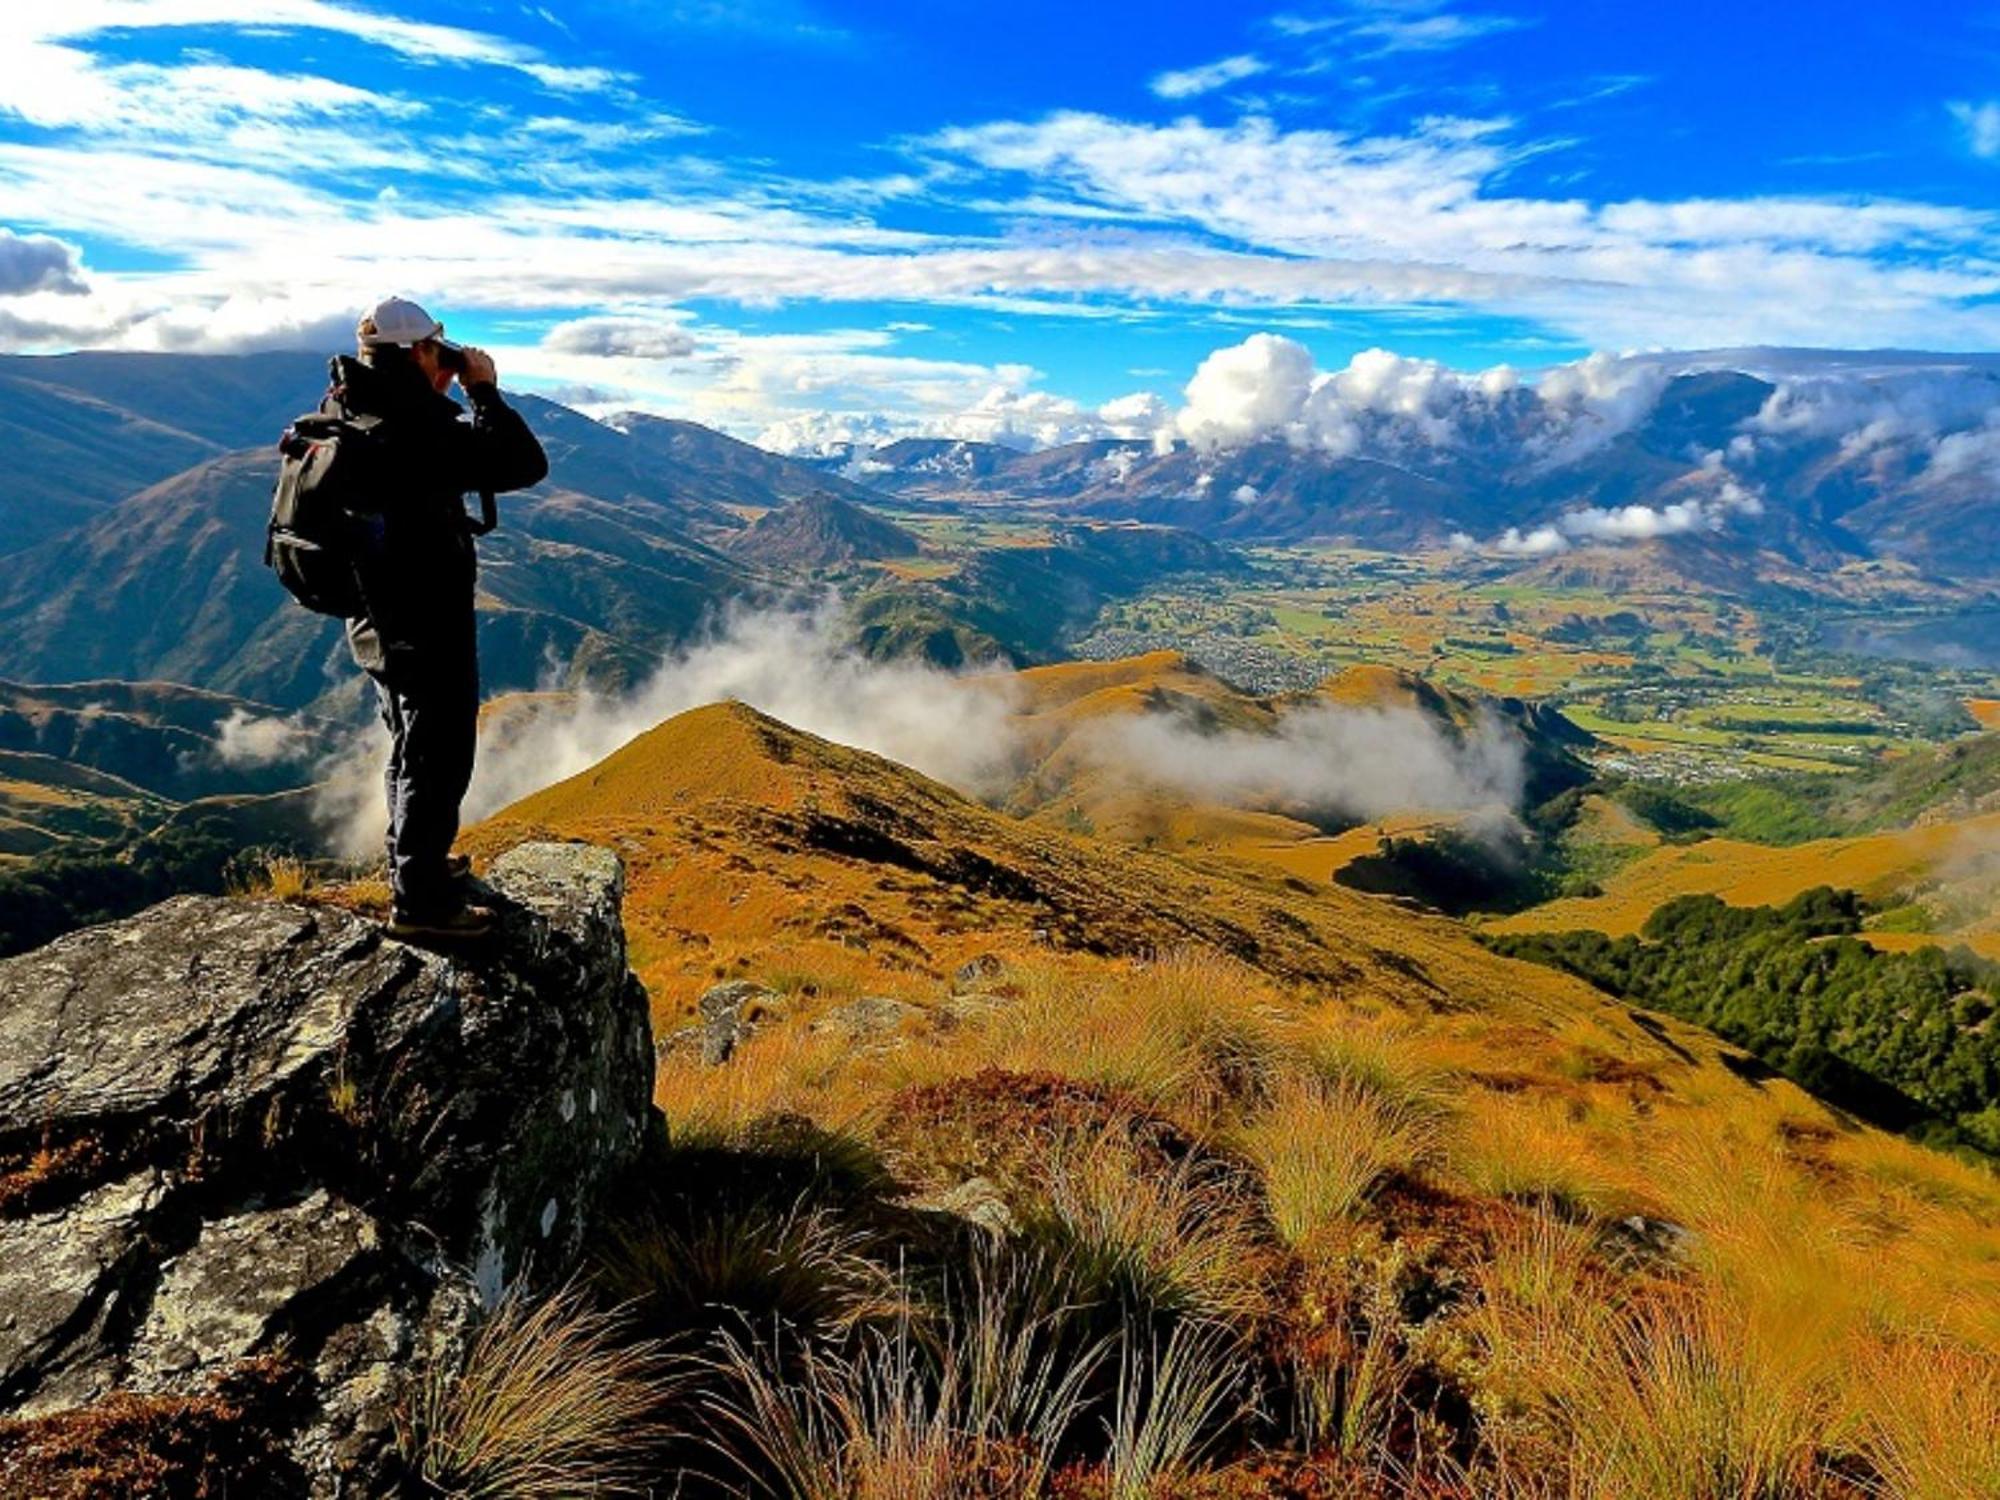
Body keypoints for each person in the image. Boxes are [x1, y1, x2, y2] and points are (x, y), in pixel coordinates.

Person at [329, 296, 548, 939]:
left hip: (374, 613)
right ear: (418, 352)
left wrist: (445, 384)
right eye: (437, 347)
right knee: (439, 752)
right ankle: (422, 903)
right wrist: (484, 393)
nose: (447, 357)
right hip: (423, 613)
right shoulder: (415, 425)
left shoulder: (350, 403)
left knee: (408, 742)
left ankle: (414, 868)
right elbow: (522, 464)